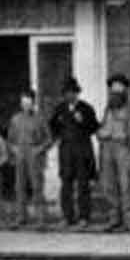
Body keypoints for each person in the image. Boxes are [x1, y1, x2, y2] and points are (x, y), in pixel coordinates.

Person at [49, 77, 100, 229]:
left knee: (83, 185)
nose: (70, 96)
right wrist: (56, 137)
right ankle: (67, 217)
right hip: (66, 151)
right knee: (66, 184)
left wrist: (82, 121)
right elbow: (52, 126)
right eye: (67, 93)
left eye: (73, 93)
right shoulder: (59, 109)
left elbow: (94, 127)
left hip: (82, 151)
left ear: (78, 94)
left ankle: (84, 217)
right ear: (64, 95)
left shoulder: (86, 108)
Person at [97, 73, 130, 233]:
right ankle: (114, 219)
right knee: (109, 185)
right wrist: (100, 133)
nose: (115, 91)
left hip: (123, 148)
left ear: (124, 89)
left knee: (126, 184)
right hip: (107, 148)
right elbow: (102, 126)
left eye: (119, 87)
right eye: (112, 88)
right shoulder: (107, 108)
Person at [7, 88, 52, 229]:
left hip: (34, 156)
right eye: (23, 102)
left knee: (37, 187)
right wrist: (13, 149)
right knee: (20, 187)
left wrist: (39, 149)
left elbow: (49, 139)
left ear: (33, 103)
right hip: (20, 155)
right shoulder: (15, 119)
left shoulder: (40, 118)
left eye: (29, 102)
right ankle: (21, 217)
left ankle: (41, 219)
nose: (26, 105)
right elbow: (10, 139)